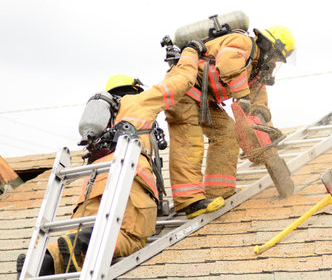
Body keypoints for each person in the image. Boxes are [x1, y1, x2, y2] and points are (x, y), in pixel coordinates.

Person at [17, 42, 225, 277]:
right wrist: (190, 53)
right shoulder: (137, 102)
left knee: (82, 249)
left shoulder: (104, 119)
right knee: (130, 238)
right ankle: (80, 241)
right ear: (134, 89)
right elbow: (178, 83)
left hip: (91, 188)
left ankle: (38, 264)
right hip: (128, 182)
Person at [165, 26, 295, 215]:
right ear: (269, 47)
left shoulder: (256, 68)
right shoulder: (242, 43)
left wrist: (269, 139)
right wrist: (242, 95)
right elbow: (227, 61)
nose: (275, 62)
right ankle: (189, 201)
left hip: (204, 100)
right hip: (183, 90)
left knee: (227, 133)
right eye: (277, 57)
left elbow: (258, 105)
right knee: (189, 141)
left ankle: (220, 192)